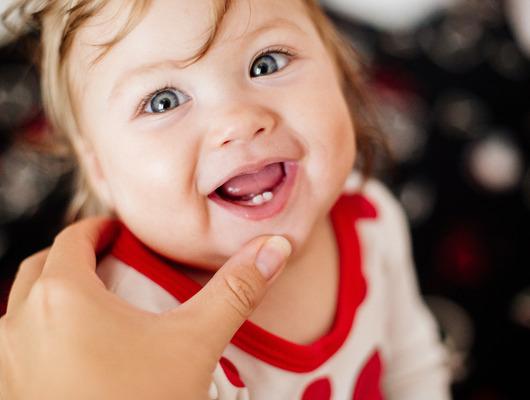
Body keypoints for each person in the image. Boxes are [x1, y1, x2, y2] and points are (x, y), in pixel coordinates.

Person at [2, 0, 451, 398]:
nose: (238, 121)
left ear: (341, 71)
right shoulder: (134, 320)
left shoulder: (370, 215)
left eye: (267, 63)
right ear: (98, 167)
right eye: (163, 101)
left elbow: (412, 365)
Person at [0, 217, 292, 399]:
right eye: (161, 111)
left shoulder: (336, 191)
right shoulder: (123, 316)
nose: (239, 122)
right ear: (99, 168)